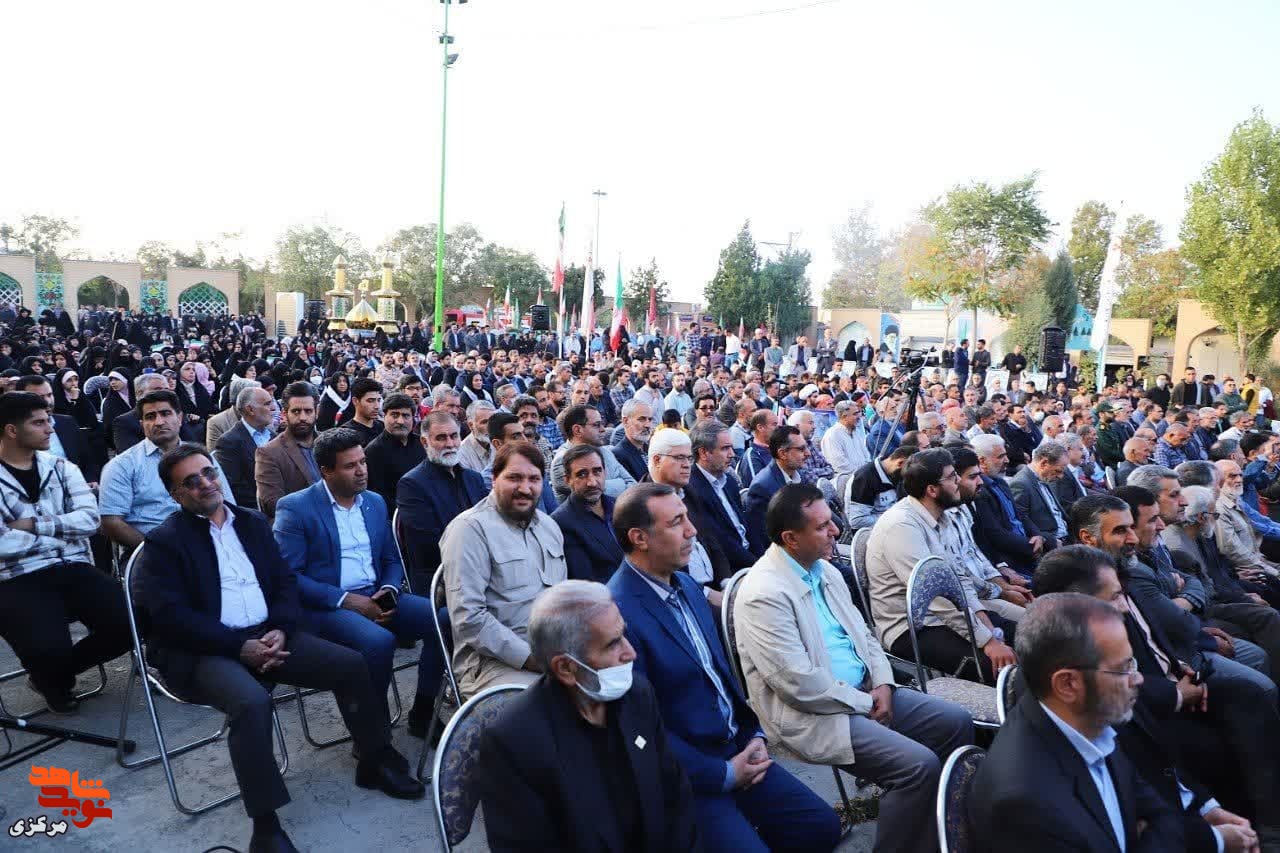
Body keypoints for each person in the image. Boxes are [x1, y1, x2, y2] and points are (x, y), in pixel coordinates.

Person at [139, 444, 423, 853]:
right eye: (191, 481)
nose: (205, 484)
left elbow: (285, 585)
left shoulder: (251, 523)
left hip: (269, 634)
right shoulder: (164, 542)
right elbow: (171, 618)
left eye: (208, 472)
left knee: (351, 664)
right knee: (251, 702)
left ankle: (374, 759)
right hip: (205, 651)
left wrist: (281, 629)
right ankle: (266, 827)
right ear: (175, 494)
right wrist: (240, 646)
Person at [734, 483, 974, 853]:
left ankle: (942, 825)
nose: (835, 531)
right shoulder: (763, 593)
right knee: (917, 767)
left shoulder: (824, 571)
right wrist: (866, 702)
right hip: (815, 713)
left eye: (832, 521)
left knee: (954, 722)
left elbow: (864, 634)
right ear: (790, 539)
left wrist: (883, 683)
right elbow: (798, 684)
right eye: (822, 526)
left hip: (865, 692)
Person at [607, 482, 842, 853]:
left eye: (687, 518)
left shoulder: (686, 586)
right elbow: (640, 728)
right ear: (639, 538)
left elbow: (719, 676)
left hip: (737, 747)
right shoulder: (616, 615)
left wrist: (754, 735)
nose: (692, 531)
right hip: (688, 776)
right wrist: (724, 774)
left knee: (821, 828)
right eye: (676, 522)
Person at [476, 580, 700, 852]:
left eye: (624, 634)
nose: (631, 653)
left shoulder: (637, 696)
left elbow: (676, 798)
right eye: (612, 644)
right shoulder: (514, 742)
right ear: (566, 668)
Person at [967, 593, 1195, 852]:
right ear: (1067, 684)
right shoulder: (1027, 805)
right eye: (1123, 668)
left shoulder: (1087, 716)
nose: (1138, 679)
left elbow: (1157, 812)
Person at [273, 428, 444, 740]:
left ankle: (423, 710)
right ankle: (374, 736)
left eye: (363, 461)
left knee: (444, 620)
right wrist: (348, 601)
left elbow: (391, 559)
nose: (362, 470)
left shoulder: (374, 502)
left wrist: (389, 590)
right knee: (378, 641)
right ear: (325, 471)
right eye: (350, 466)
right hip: (327, 606)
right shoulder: (296, 508)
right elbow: (287, 576)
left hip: (377, 595)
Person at [0, 392, 130, 714]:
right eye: (39, 422)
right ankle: (52, 675)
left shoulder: (60, 467)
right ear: (12, 430)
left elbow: (90, 519)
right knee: (48, 648)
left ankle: (51, 676)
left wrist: (34, 525)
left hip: (71, 566)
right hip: (15, 578)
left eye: (49, 420)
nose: (50, 428)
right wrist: (61, 534)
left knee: (133, 622)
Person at [866, 448, 1018, 684]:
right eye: (952, 477)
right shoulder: (901, 526)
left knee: (1027, 639)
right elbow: (935, 597)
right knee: (1002, 669)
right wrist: (987, 641)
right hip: (911, 628)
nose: (959, 481)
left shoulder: (941, 516)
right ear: (932, 490)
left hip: (945, 615)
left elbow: (959, 579)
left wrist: (990, 632)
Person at [440, 441, 567, 695]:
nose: (525, 488)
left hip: (554, 650)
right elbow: (469, 619)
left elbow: (563, 600)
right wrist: (532, 658)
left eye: (534, 479)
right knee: (557, 705)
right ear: (494, 479)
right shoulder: (469, 530)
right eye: (514, 478)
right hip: (494, 663)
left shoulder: (549, 527)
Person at [100, 389, 235, 550]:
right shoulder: (122, 465)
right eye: (150, 417)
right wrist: (157, 550)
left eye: (165, 414)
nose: (159, 422)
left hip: (211, 545)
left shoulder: (202, 458)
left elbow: (227, 503)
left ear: (179, 418)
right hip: (150, 551)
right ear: (142, 425)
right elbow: (111, 521)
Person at [395, 410, 488, 593]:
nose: (450, 444)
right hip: (440, 581)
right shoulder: (412, 485)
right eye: (441, 438)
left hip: (481, 569)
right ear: (425, 442)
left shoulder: (474, 478)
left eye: (454, 436)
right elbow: (429, 546)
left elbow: (489, 523)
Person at [687, 420, 762, 570]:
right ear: (703, 453)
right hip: (730, 569)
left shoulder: (729, 481)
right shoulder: (692, 490)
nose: (732, 454)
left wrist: (764, 558)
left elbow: (746, 526)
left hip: (751, 559)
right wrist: (758, 566)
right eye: (725, 448)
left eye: (731, 448)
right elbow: (721, 542)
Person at [551, 444, 625, 582]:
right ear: (568, 480)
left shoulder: (620, 506)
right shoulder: (561, 522)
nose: (592, 482)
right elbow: (585, 580)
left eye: (597, 471)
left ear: (605, 473)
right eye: (582, 474)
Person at [255, 382, 322, 521]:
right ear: (285, 414)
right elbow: (273, 504)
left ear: (317, 412)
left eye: (308, 411)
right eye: (296, 411)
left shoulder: (329, 443)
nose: (302, 417)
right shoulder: (269, 453)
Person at [549, 404, 636, 503]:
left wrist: (609, 485)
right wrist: (621, 483)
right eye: (596, 425)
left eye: (602, 424)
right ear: (577, 430)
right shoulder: (561, 461)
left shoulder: (605, 451)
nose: (603, 429)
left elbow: (633, 485)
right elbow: (591, 491)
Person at [743, 425, 809, 550]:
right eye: (801, 449)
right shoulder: (762, 489)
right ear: (783, 453)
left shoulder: (799, 475)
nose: (808, 453)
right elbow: (763, 541)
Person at [213, 385, 276, 510]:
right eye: (267, 404)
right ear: (250, 409)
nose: (273, 408)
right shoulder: (229, 442)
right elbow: (236, 489)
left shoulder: (274, 436)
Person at [363, 392, 426, 510]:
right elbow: (377, 496)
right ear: (384, 416)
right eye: (395, 415)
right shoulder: (374, 452)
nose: (400, 421)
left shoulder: (422, 444)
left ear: (413, 418)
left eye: (406, 415)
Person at [1008, 441, 1070, 552]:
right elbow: (1021, 522)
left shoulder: (1044, 477)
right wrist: (1050, 540)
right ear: (1044, 463)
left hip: (1067, 537)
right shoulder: (1020, 484)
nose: (1061, 476)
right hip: (1052, 546)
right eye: (1058, 471)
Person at [844, 444, 910, 532]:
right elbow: (857, 521)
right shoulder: (865, 478)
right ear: (900, 463)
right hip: (873, 532)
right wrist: (893, 518)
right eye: (908, 473)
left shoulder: (895, 474)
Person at [611, 399, 652, 483]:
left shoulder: (652, 449)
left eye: (650, 419)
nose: (648, 425)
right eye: (642, 419)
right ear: (626, 421)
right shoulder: (618, 455)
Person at [343, 377, 385, 446]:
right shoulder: (347, 433)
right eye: (370, 401)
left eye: (378, 400)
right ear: (355, 401)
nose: (377, 406)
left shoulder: (383, 426)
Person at [456, 400, 495, 474]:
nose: (491, 427)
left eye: (493, 421)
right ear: (471, 425)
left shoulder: (498, 444)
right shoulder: (461, 454)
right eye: (485, 422)